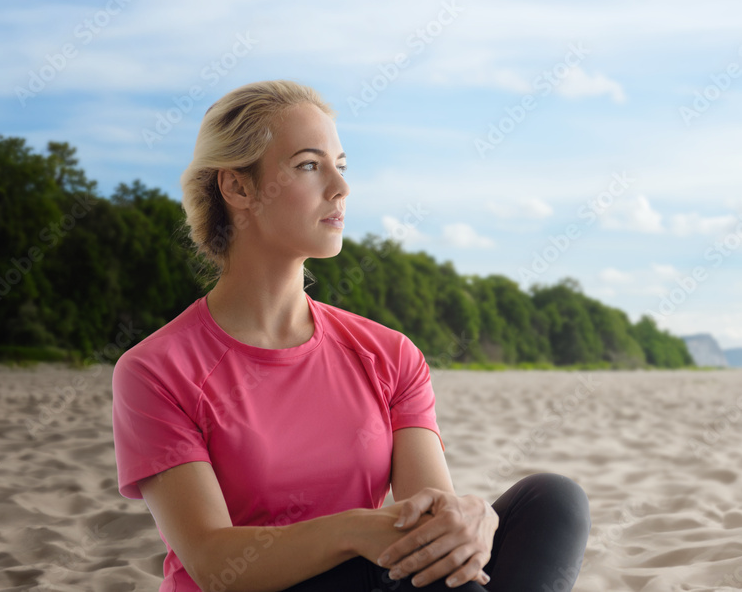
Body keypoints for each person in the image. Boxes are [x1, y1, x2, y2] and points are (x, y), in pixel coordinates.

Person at [110, 79, 591, 592]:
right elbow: (210, 559)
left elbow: (430, 521)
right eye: (309, 165)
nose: (340, 188)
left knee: (551, 500)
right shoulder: (156, 370)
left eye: (341, 165)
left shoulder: (388, 354)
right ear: (238, 187)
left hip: (380, 579)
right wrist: (354, 531)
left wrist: (474, 519)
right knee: (396, 564)